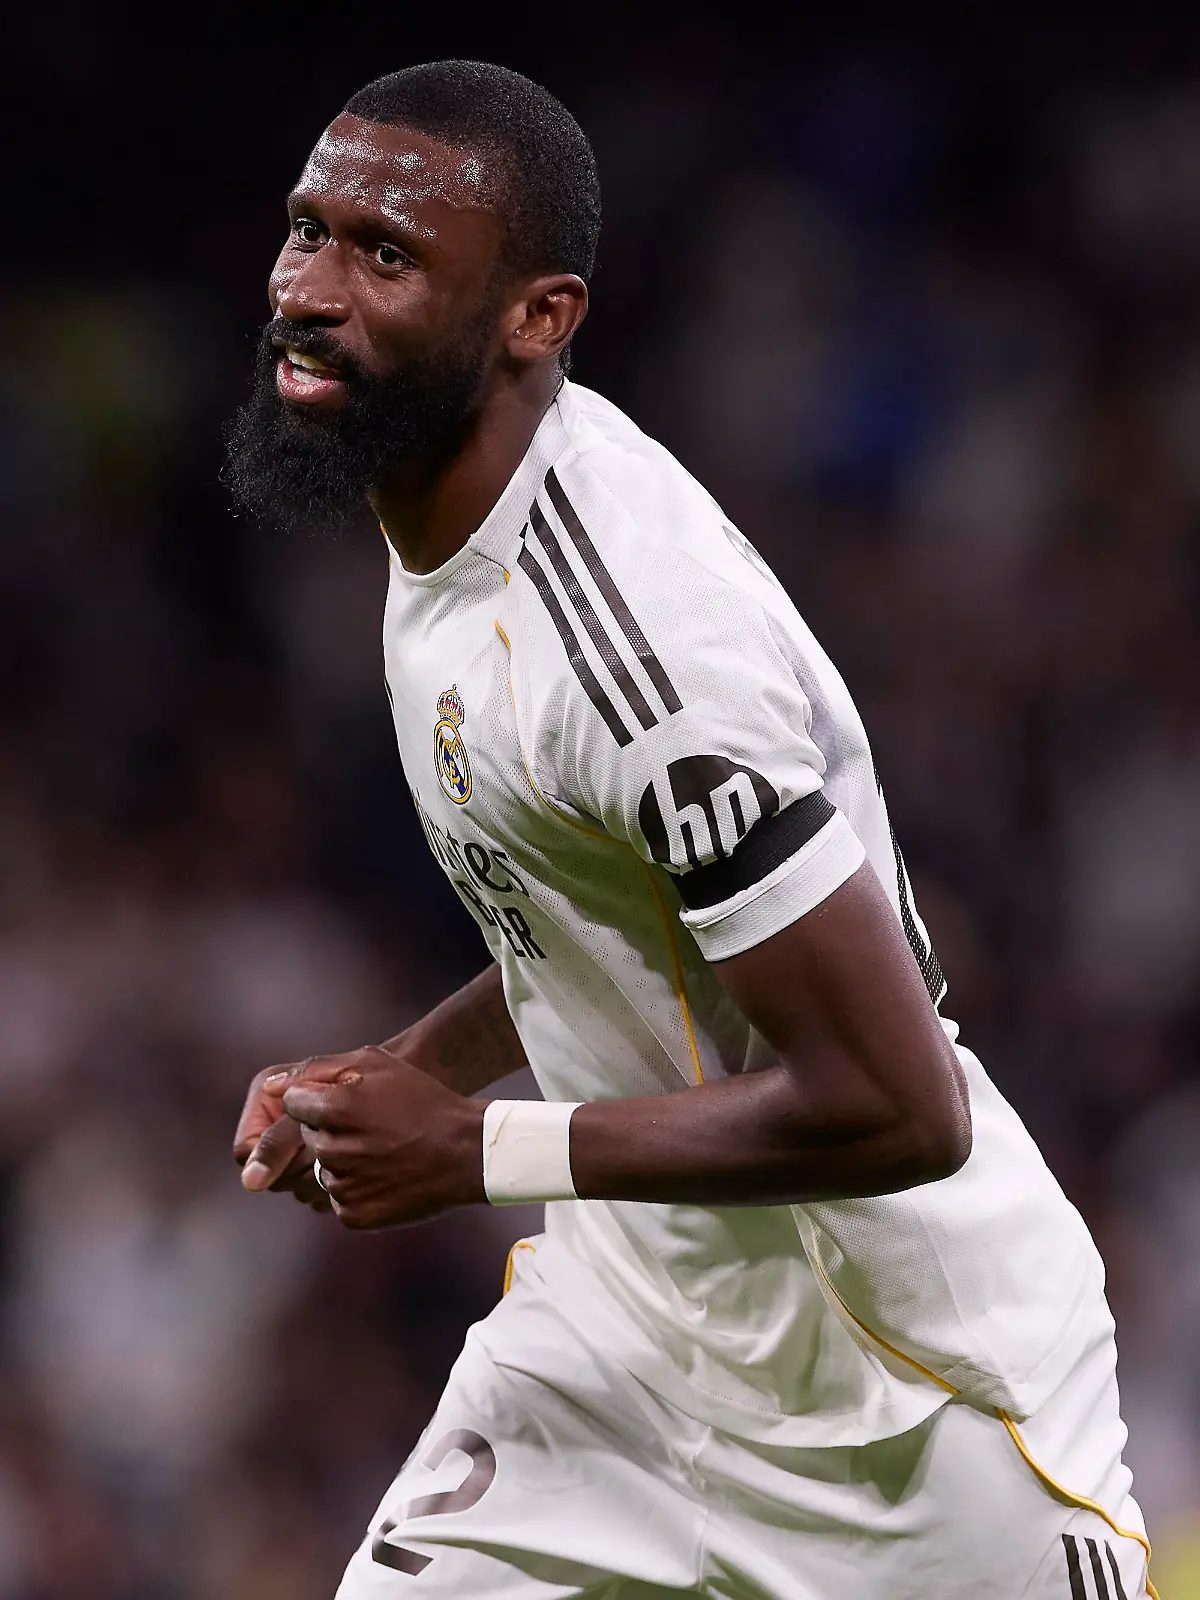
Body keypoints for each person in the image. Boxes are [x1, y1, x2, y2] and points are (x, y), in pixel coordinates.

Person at [227, 60, 1154, 1600]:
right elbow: (601, 911)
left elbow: (899, 1104)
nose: (308, 291)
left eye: (384, 256)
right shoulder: (446, 514)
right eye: (308, 230)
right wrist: (413, 1070)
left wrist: (470, 1150)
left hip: (907, 1404)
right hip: (629, 1341)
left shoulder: (641, 648)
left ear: (539, 317)